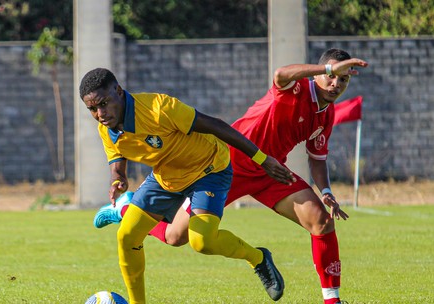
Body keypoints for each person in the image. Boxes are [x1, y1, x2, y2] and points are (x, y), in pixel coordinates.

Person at [94, 48, 369, 304]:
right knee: (176, 237)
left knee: (321, 221)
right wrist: (328, 67)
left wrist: (327, 192)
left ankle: (332, 300)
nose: (336, 85)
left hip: (270, 171)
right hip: (231, 162)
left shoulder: (325, 115)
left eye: (343, 80)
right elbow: (281, 74)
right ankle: (126, 208)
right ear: (319, 73)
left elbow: (317, 158)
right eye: (331, 77)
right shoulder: (295, 87)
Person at [79, 67, 296, 304]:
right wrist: (117, 179)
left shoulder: (159, 108)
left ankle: (258, 258)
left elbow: (216, 125)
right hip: (165, 177)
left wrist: (262, 160)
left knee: (202, 242)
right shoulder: (106, 128)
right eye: (92, 109)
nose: (100, 113)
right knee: (127, 236)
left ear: (118, 92)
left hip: (209, 171)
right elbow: (117, 162)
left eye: (103, 104)